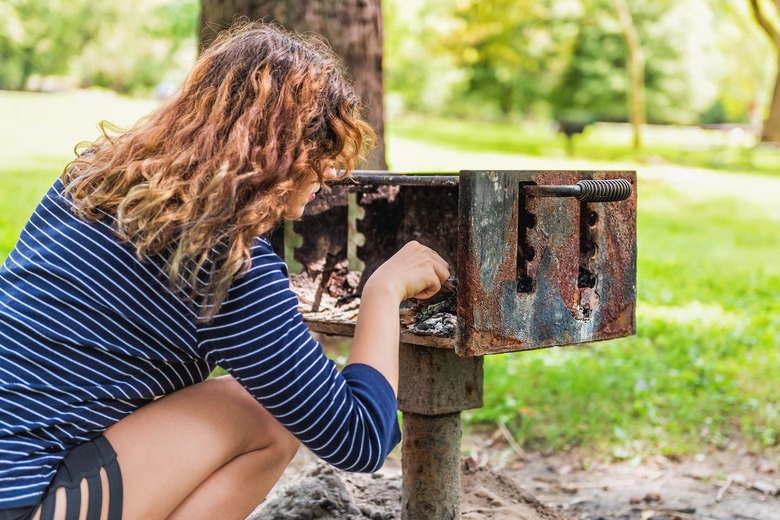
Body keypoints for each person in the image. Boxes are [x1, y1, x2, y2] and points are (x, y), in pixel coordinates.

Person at [0, 22, 449, 520]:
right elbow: (361, 440)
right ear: (277, 152)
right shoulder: (226, 262)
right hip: (24, 502)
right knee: (262, 416)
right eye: (320, 148)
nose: (330, 172)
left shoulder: (89, 180)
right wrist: (382, 293)